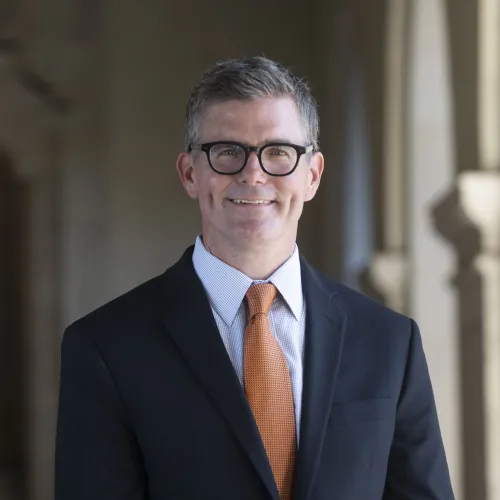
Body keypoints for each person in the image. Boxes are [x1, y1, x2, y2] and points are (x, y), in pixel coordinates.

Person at [55, 56, 455, 500]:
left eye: (279, 152)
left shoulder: (390, 342)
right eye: (227, 151)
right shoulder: (104, 347)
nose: (253, 174)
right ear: (190, 173)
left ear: (312, 175)